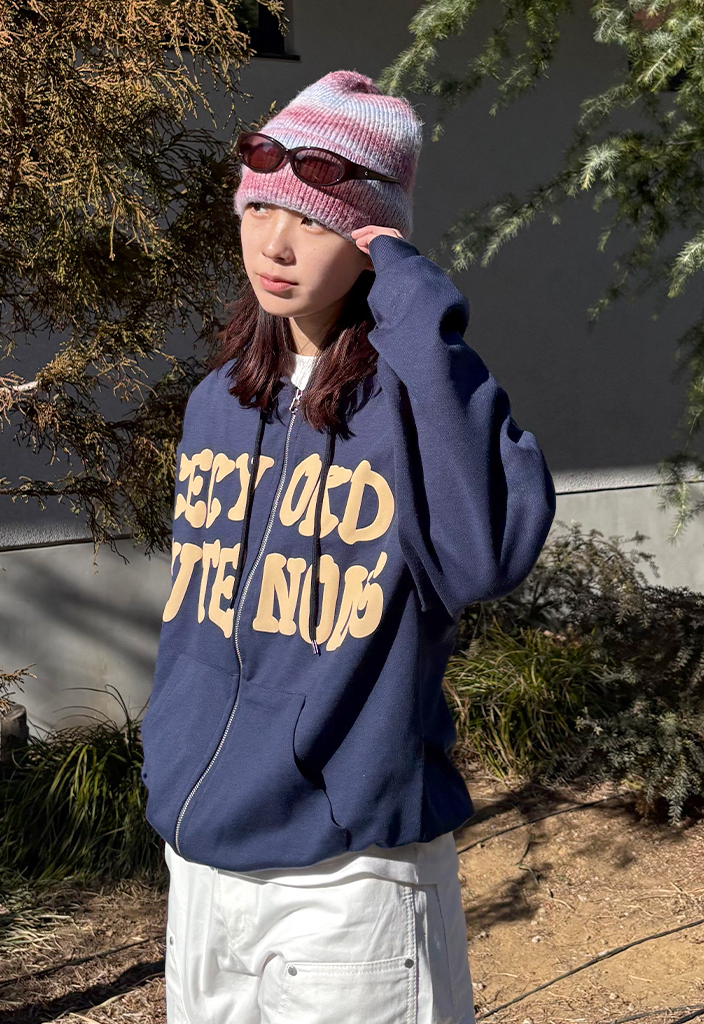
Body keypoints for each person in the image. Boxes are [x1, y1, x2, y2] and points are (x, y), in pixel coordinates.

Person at [141, 69, 556, 1024]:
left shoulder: (416, 405)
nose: (275, 245)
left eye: (316, 221)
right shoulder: (218, 403)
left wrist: (414, 298)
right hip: (201, 864)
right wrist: (169, 756)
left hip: (349, 880)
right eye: (259, 209)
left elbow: (492, 552)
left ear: (372, 243)